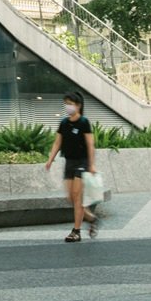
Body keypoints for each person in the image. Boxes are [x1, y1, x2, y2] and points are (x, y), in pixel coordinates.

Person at [45, 92, 98, 242]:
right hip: (69, 162)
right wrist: (50, 159)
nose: (67, 106)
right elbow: (57, 142)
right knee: (71, 198)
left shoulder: (84, 122)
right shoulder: (64, 123)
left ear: (78, 105)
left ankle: (76, 231)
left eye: (70, 103)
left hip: (82, 162)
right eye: (66, 103)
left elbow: (90, 144)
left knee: (77, 196)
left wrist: (91, 165)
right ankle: (91, 218)